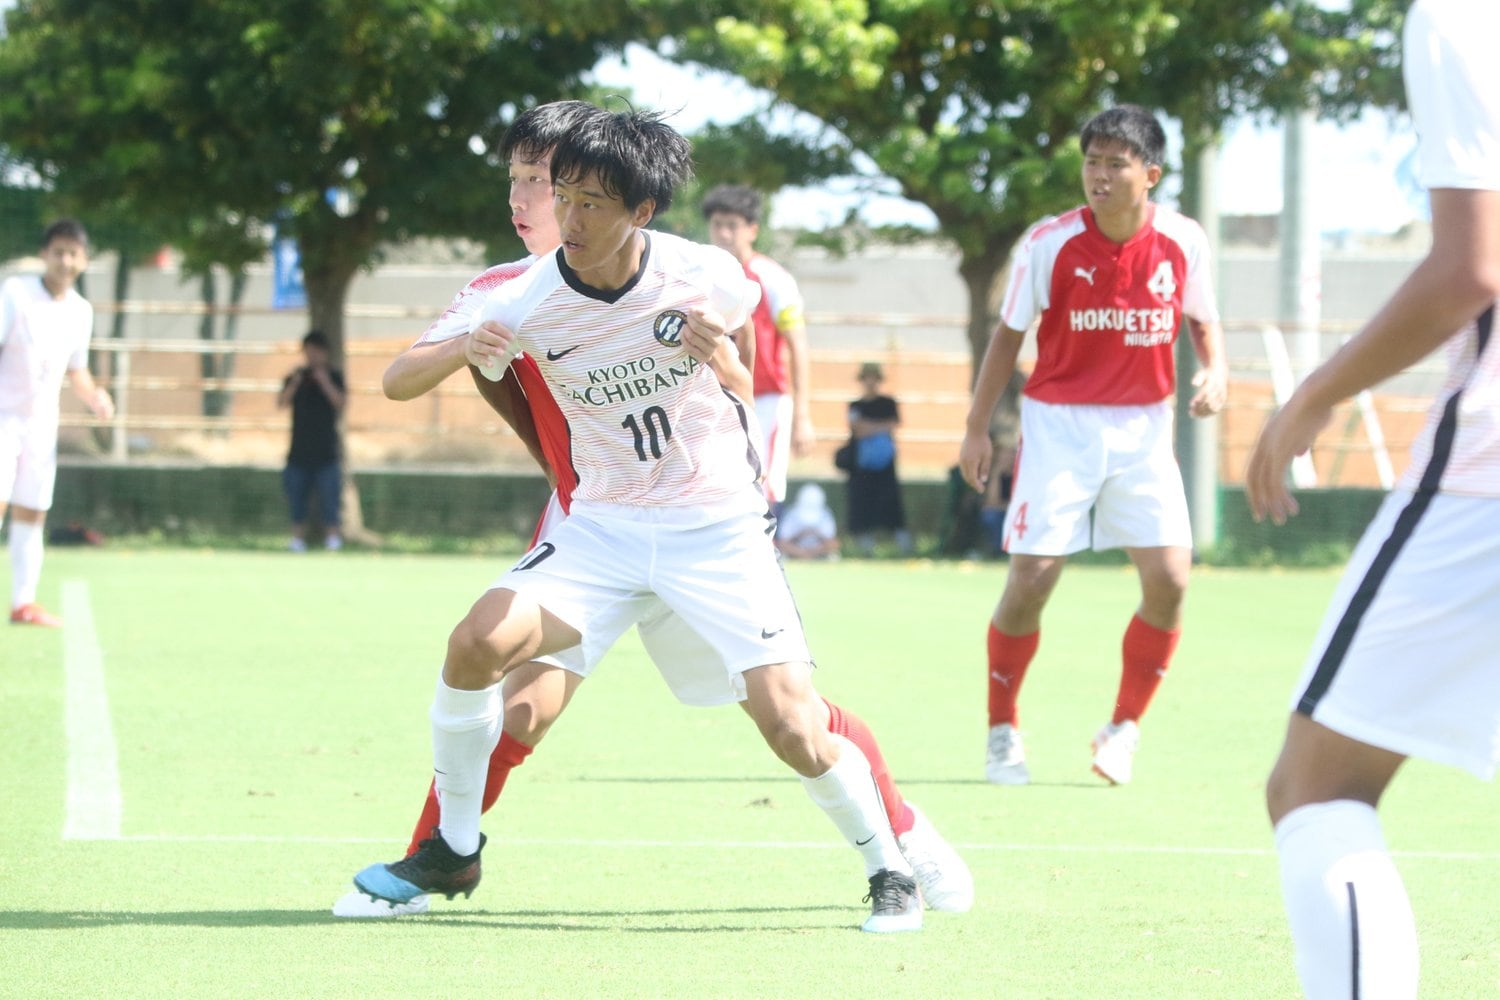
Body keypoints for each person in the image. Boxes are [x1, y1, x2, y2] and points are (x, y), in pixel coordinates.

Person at [343, 103, 971, 931]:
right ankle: (450, 850)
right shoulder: (515, 296)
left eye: (570, 191)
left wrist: (720, 351)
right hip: (596, 526)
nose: (550, 207)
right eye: (539, 185)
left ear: (640, 209)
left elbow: (743, 381)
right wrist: (469, 347)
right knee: (481, 648)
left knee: (792, 720)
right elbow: (398, 380)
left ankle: (892, 860)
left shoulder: (706, 274)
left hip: (710, 528)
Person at [1245, 3, 1500, 996]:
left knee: (1317, 786)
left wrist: (1315, 391)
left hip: (1485, 483)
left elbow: (1472, 266)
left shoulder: (1458, 19)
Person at [958, 104, 1227, 787]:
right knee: (1032, 582)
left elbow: (1203, 316)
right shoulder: (1048, 243)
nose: (1099, 176)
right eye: (1092, 162)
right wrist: (976, 425)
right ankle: (1001, 731)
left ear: (1151, 174)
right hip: (1059, 425)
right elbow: (1008, 336)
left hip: (1145, 427)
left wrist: (1216, 369)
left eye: (1116, 164)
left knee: (1170, 579)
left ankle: (1123, 728)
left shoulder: (1184, 240)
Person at [0, 218, 114, 627]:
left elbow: (76, 370)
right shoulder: (15, 293)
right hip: (3, 419)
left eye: (74, 253)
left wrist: (95, 396)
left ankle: (23, 603)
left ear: (83, 260)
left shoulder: (80, 311)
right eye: (58, 251)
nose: (65, 260)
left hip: (41, 425)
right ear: (44, 254)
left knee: (32, 511)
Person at [702, 184, 815, 511]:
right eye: (717, 224)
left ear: (752, 230)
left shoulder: (773, 278)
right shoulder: (699, 273)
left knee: (762, 483)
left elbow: (798, 346)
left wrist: (803, 415)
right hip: (711, 397)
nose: (723, 233)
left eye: (732, 225)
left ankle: (767, 558)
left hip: (765, 399)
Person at [276, 330, 345, 551]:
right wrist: (295, 383)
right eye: (309, 351)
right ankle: (297, 540)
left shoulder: (334, 376)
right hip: (298, 453)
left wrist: (324, 382)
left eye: (317, 351)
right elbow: (281, 403)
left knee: (330, 499)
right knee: (296, 498)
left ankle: (333, 540)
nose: (312, 355)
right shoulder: (296, 376)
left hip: (326, 452)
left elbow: (340, 403)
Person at [846, 362, 912, 556]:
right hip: (862, 464)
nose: (871, 382)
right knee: (862, 500)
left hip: (886, 462)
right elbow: (857, 429)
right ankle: (864, 543)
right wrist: (879, 427)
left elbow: (893, 424)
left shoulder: (887, 403)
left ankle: (900, 541)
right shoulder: (856, 405)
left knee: (891, 500)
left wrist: (870, 428)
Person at [775, 482, 840, 560]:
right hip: (795, 552)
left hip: (819, 552)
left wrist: (816, 534)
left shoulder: (826, 514)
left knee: (833, 547)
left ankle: (808, 555)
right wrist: (799, 536)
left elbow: (832, 542)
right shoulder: (791, 513)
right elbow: (782, 542)